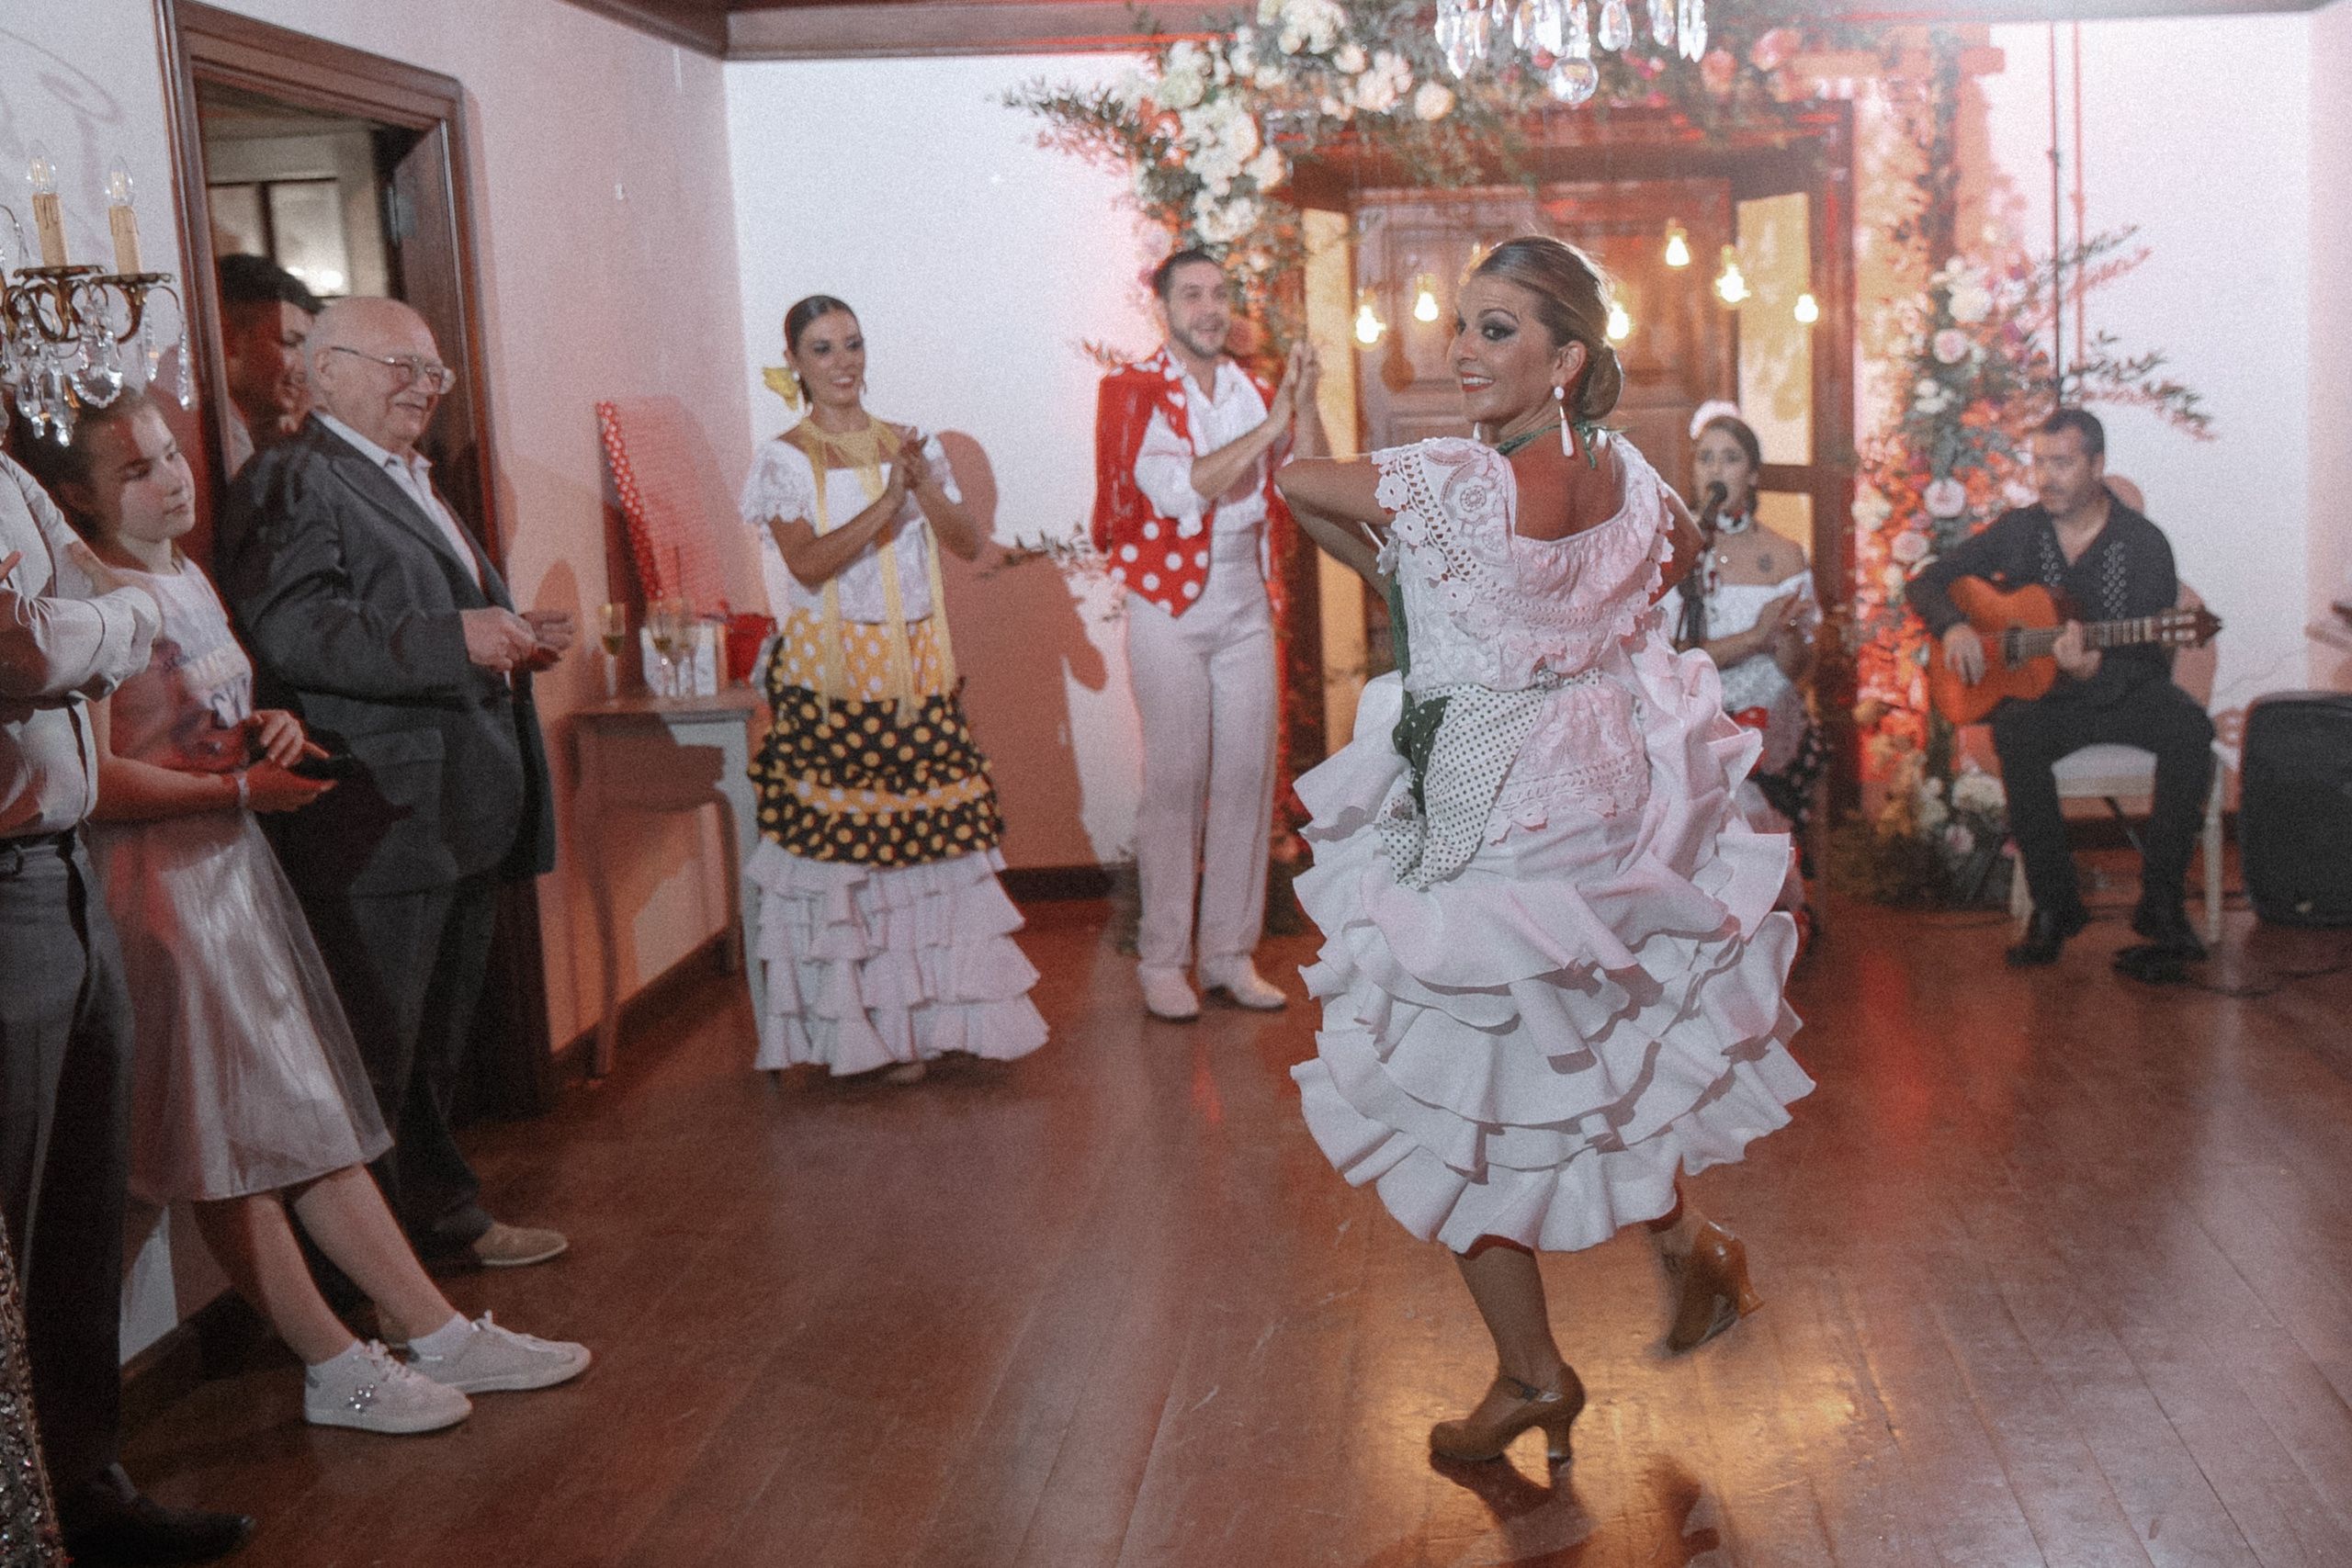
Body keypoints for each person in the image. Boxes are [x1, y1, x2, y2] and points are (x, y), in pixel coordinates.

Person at [1273, 237, 1812, 1465]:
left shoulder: (1461, 484)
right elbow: (1669, 572)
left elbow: (1300, 476)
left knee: (1457, 1100)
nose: (1463, 349)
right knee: (1586, 1060)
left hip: (1488, 803)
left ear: (1566, 357)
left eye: (1498, 329)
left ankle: (1531, 1374)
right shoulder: (1631, 476)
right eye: (1461, 325)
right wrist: (1473, 603)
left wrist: (1404, 576)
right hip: (1597, 792)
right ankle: (1687, 1249)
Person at [27, 390, 590, 1437]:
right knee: (216, 1136)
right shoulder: (83, 593)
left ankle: (432, 1326)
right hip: (159, 890)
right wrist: (235, 791)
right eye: (139, 470)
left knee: (306, 1116)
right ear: (75, 497)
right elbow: (94, 780)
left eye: (168, 455)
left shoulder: (185, 571)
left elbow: (205, 718)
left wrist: (268, 731)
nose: (174, 478)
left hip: (232, 875)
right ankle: (333, 1361)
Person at [214, 298, 574, 1269]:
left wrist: (508, 635)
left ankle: (440, 1220)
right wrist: (457, 637)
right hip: (375, 816)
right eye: (398, 367)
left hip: (454, 808)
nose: (422, 388)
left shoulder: (404, 475)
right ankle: (360, 1289)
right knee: (368, 1055)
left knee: (427, 1052)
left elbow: (404, 616)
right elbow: (293, 630)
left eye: (434, 374)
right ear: (323, 370)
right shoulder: (290, 478)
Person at [0, 436, 254, 1562]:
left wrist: (84, 627)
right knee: (16, 1219)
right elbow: (19, 650)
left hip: (63, 867)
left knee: (80, 1211)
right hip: (7, 881)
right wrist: (106, 630)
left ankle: (84, 1491)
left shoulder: (7, 474)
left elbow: (90, 598)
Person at [740, 295, 1047, 1081]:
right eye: (822, 349)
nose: (843, 361)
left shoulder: (911, 444)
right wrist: (885, 502)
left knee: (924, 855)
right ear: (798, 365)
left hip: (914, 670)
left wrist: (923, 485)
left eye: (852, 344)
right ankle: (858, 1036)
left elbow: (967, 540)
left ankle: (922, 1029)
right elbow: (807, 564)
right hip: (832, 676)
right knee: (849, 859)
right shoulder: (783, 458)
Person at [1091, 248, 1326, 1021]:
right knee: (1176, 781)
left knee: (1246, 779)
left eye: (1220, 294)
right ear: (1163, 309)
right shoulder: (1136, 394)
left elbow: (1311, 473)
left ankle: (1227, 954)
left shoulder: (1253, 391)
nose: (1210, 308)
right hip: (1168, 604)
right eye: (1192, 294)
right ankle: (1164, 958)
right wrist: (1272, 424)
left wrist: (1305, 403)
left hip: (1241, 601)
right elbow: (1181, 484)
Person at [1910, 408, 2215, 977]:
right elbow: (1926, 580)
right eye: (2039, 463)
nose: (2046, 477)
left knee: (2191, 730)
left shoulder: (2145, 544)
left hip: (2123, 692)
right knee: (2016, 733)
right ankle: (2055, 907)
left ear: (2097, 465)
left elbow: (2152, 655)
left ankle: (2163, 905)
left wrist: (2090, 670)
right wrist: (1952, 625)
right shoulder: (2021, 530)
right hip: (2049, 703)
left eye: (2063, 463)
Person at [1657, 406, 1822, 925]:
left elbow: (1797, 668)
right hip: (1690, 700)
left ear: (1752, 474)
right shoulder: (1673, 549)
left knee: (1753, 745)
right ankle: (1698, 910)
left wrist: (1787, 637)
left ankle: (1767, 904)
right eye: (1705, 458)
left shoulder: (1786, 554)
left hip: (1766, 705)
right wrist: (1753, 636)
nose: (1715, 470)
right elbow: (1668, 653)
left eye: (1730, 458)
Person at [215, 254, 322, 477]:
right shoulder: (209, 430)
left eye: (309, 349)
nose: (305, 368)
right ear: (230, 339)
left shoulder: (269, 430)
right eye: (290, 343)